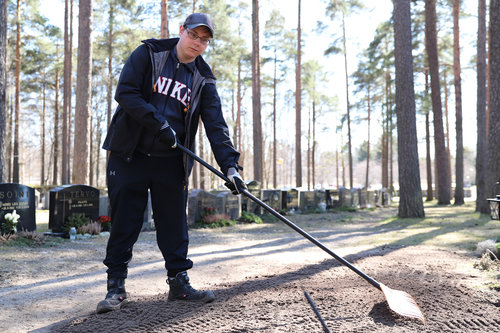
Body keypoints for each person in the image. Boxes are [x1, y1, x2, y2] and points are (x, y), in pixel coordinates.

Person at [97, 12, 247, 314]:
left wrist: (231, 166)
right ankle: (116, 287)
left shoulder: (203, 79)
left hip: (170, 161)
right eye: (194, 35)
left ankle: (178, 283)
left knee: (174, 224)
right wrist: (159, 123)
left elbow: (216, 125)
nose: (198, 43)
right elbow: (125, 92)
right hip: (130, 154)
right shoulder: (150, 54)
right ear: (182, 31)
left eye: (205, 40)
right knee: (126, 220)